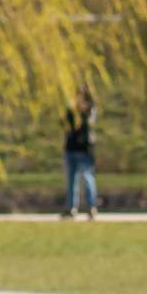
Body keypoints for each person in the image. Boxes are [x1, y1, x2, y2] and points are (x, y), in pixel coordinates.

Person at [62, 88, 98, 220]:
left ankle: (91, 207)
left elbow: (90, 123)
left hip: (84, 150)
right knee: (71, 180)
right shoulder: (71, 110)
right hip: (71, 148)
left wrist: (84, 110)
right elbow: (65, 124)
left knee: (87, 178)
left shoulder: (90, 110)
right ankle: (71, 207)